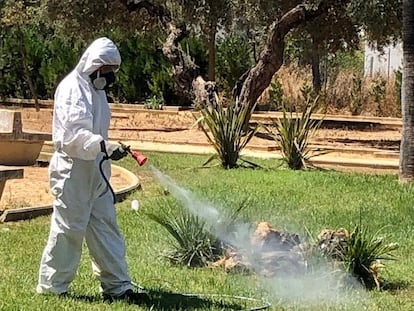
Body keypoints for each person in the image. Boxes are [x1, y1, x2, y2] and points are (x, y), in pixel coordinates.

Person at [37, 37, 147, 304]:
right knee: (68, 230)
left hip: (97, 173)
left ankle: (118, 287)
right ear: (95, 66)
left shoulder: (97, 92)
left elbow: (96, 133)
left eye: (113, 72)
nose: (110, 78)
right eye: (107, 72)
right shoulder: (72, 89)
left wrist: (106, 147)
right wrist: (104, 146)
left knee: (105, 226)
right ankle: (53, 287)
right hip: (73, 171)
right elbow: (74, 137)